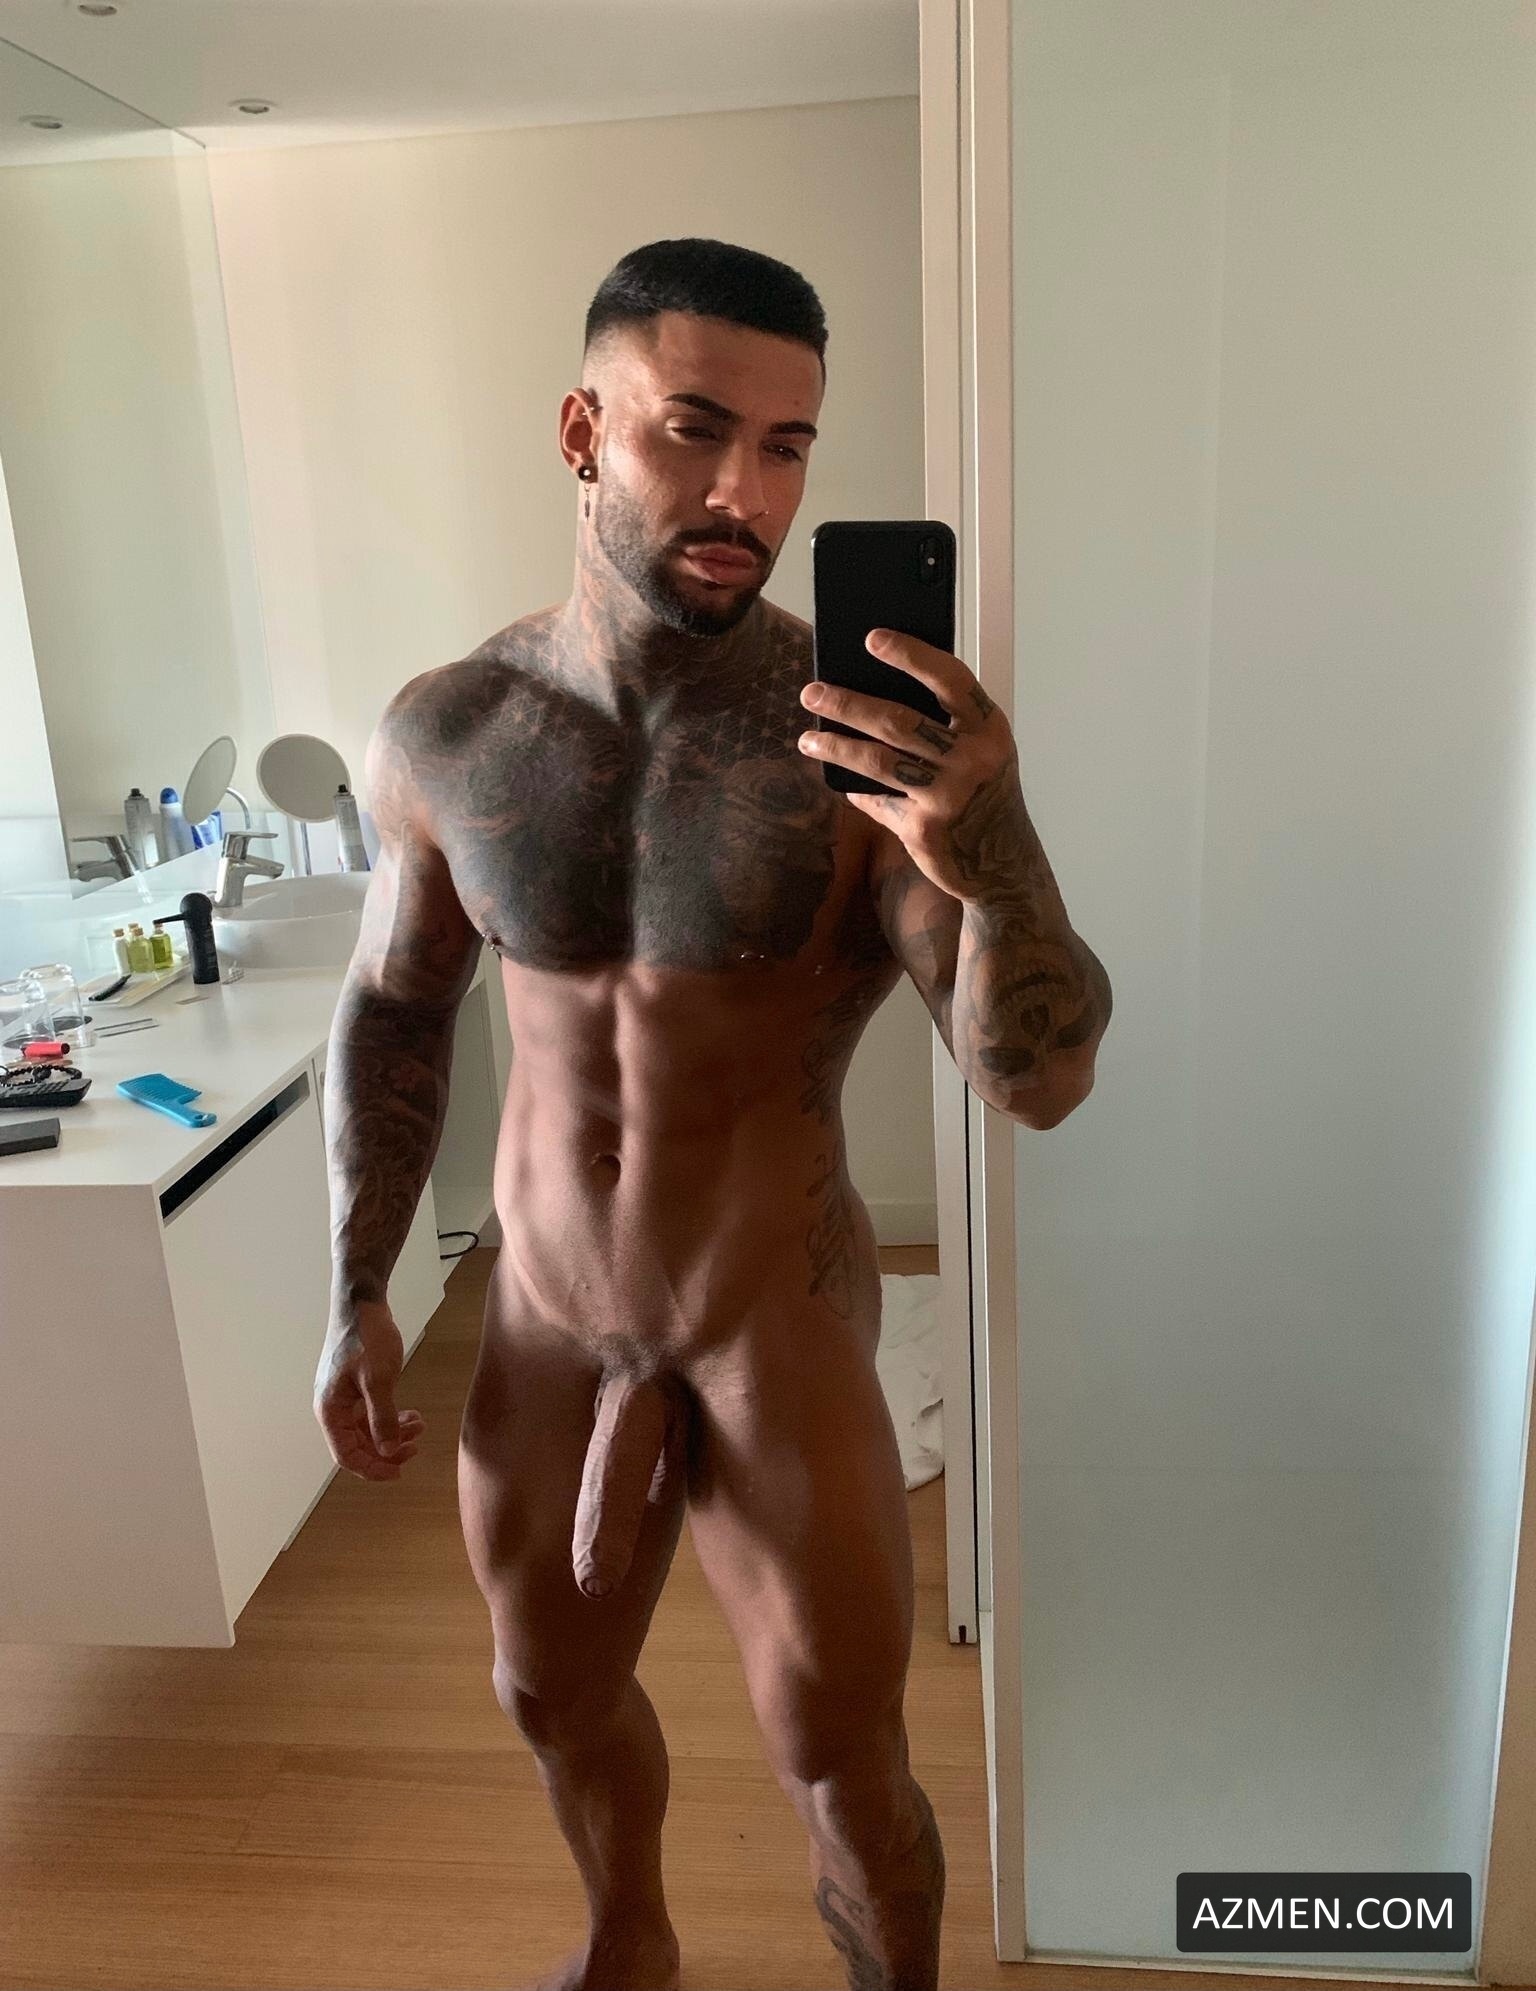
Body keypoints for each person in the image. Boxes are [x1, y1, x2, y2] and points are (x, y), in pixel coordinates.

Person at [313, 237, 1111, 1991]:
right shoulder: (449, 732)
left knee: (840, 1757)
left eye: (788, 445)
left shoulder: (856, 756)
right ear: (584, 431)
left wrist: (993, 850)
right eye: (697, 429)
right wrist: (358, 1283)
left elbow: (1038, 1081)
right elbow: (395, 1006)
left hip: (772, 1318)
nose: (746, 491)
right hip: (544, 1313)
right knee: (547, 1691)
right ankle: (630, 1937)